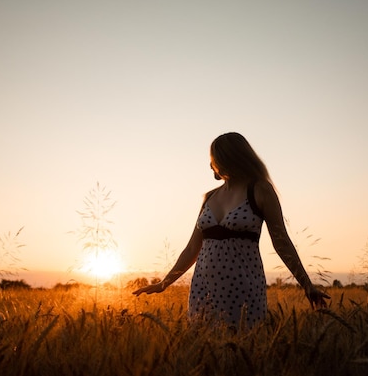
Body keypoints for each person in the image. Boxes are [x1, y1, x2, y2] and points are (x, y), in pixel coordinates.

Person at [133, 132, 329, 327]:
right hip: (203, 289)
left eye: (213, 159)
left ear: (227, 158)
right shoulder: (209, 197)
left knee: (242, 342)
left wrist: (307, 285)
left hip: (243, 288)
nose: (210, 165)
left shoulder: (260, 190)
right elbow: (192, 248)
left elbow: (281, 241)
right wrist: (164, 283)